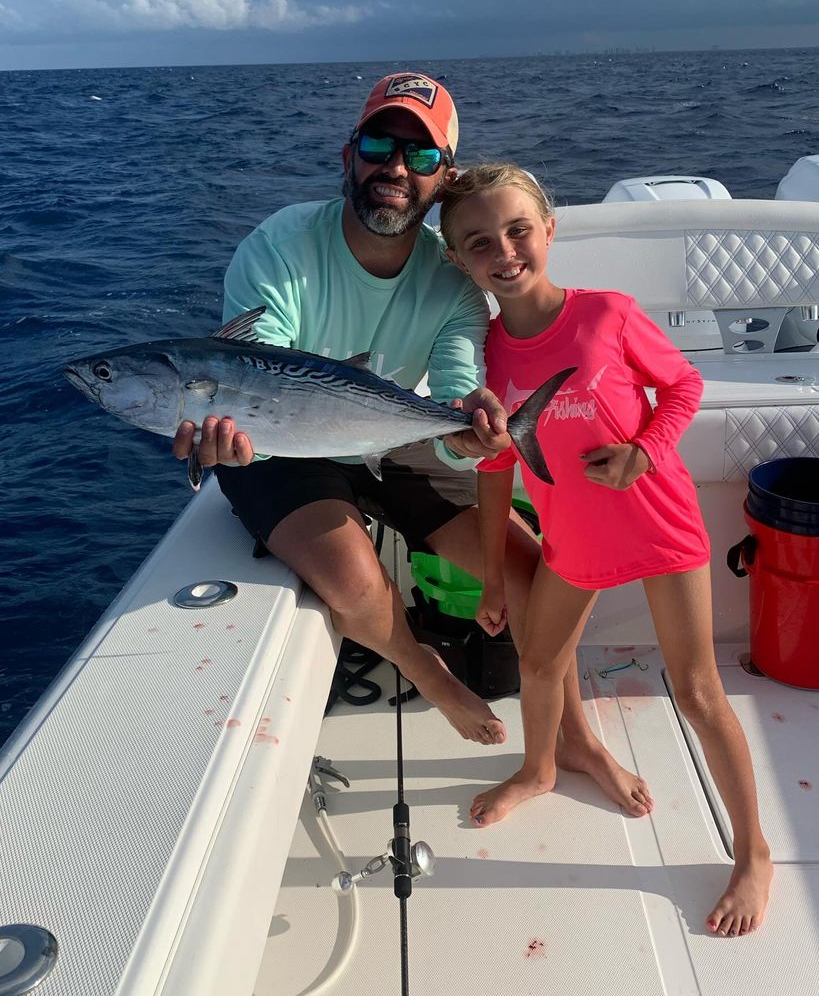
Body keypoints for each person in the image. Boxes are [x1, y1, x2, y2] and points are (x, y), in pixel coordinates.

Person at [172, 74, 652, 813]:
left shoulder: (453, 279)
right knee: (355, 585)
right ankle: (429, 672)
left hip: (390, 426)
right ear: (348, 155)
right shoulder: (279, 245)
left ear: (443, 177)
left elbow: (461, 379)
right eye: (378, 145)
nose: (395, 167)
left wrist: (473, 426)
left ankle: (574, 737)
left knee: (531, 575)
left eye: (420, 156)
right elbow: (251, 366)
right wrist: (230, 440)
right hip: (277, 445)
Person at [439, 162, 772, 937]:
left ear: (548, 230)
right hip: (570, 542)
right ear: (458, 260)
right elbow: (492, 475)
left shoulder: (606, 316)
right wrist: (493, 577)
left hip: (658, 526)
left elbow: (681, 386)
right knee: (539, 661)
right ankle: (541, 766)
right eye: (479, 242)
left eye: (518, 230)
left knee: (695, 691)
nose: (504, 250)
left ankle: (751, 849)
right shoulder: (484, 360)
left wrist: (643, 452)